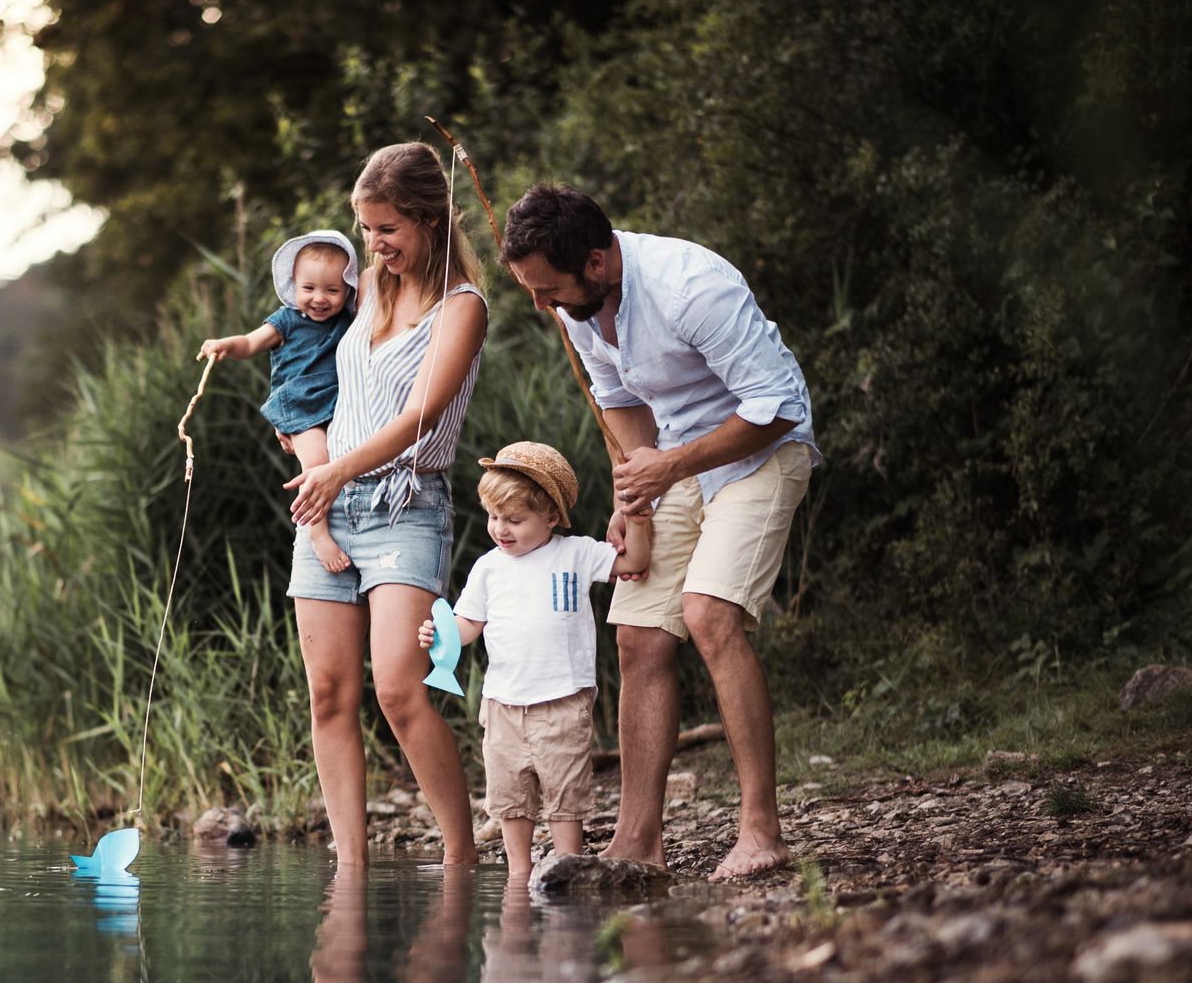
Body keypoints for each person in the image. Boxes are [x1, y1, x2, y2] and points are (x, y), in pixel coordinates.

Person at [500, 184, 821, 881]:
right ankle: (638, 841)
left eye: (548, 289)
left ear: (595, 262)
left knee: (707, 615)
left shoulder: (690, 286)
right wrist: (634, 492)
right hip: (678, 461)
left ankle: (761, 831)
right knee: (639, 633)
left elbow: (777, 406)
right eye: (531, 290)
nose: (541, 305)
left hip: (764, 451)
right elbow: (620, 404)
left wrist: (668, 464)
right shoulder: (577, 309)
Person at [284, 141, 489, 866]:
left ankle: (462, 856)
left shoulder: (464, 307)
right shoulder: (365, 285)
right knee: (328, 694)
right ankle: (351, 866)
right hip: (328, 506)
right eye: (368, 230)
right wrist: (315, 463)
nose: (373, 245)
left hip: (408, 505)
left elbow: (421, 419)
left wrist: (336, 470)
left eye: (388, 229)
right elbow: (300, 375)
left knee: (401, 689)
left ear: (430, 220)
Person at [416, 441, 652, 880]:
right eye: (493, 517)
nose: (500, 529)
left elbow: (635, 559)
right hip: (504, 704)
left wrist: (636, 519)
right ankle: (518, 876)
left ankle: (566, 868)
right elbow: (468, 624)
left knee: (565, 793)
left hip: (563, 699)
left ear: (551, 517)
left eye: (515, 520)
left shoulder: (575, 552)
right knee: (510, 797)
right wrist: (439, 634)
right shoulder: (489, 567)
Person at [199, 230, 361, 572]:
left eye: (332, 290)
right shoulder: (287, 319)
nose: (319, 298)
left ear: (347, 288)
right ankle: (317, 533)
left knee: (345, 458)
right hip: (300, 406)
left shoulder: (349, 322)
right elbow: (250, 342)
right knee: (317, 461)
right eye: (309, 289)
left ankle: (349, 520)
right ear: (293, 285)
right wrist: (226, 345)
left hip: (338, 405)